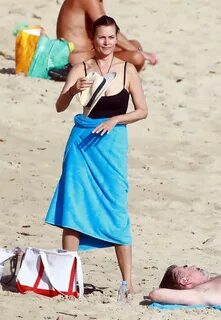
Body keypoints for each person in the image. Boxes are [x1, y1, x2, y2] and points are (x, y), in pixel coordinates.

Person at [45, 15, 148, 294]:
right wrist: (72, 91)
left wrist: (116, 119)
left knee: (116, 207)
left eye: (111, 37)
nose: (107, 42)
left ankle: (127, 282)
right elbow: (59, 105)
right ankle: (68, 279)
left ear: (116, 38)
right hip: (81, 143)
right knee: (73, 207)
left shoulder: (128, 70)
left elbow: (142, 110)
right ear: (93, 39)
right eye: (101, 37)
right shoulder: (81, 68)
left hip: (111, 145)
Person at [49, 0, 157, 80]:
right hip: (78, 58)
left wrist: (134, 49)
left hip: (91, 52)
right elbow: (107, 29)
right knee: (137, 58)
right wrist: (139, 53)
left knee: (135, 44)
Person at [148, 264, 221, 306]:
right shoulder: (198, 294)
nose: (194, 266)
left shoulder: (210, 284)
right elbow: (155, 294)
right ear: (185, 281)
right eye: (186, 267)